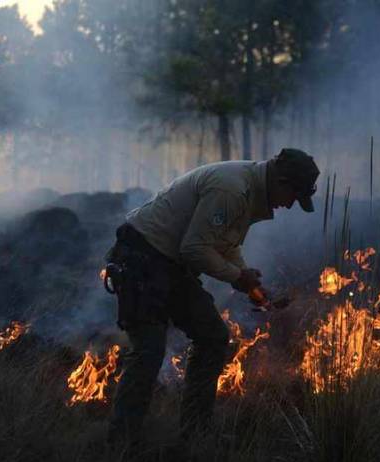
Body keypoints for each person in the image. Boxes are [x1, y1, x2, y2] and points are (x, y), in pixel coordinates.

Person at [105, 148, 319, 443]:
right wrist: (237, 277)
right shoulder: (232, 189)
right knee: (149, 351)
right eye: (294, 196)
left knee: (213, 338)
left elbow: (224, 243)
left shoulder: (249, 188)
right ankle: (121, 443)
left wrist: (248, 282)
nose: (292, 205)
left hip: (171, 264)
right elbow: (194, 249)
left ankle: (195, 434)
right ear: (281, 181)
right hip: (142, 258)